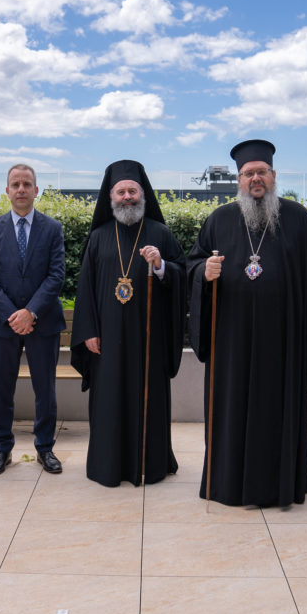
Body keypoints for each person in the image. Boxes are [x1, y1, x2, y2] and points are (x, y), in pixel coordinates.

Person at [188, 139, 307, 507]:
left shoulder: (300, 219)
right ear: (238, 180)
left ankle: (280, 485)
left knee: (277, 414)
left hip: (282, 345)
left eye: (262, 172)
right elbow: (191, 266)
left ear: (274, 176)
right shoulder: (218, 220)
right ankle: (228, 484)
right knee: (230, 412)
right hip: (231, 346)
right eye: (248, 173)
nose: (256, 179)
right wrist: (202, 274)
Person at [71, 160, 186, 487]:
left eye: (132, 191)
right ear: (111, 197)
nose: (127, 197)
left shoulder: (160, 233)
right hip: (105, 338)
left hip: (148, 340)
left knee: (146, 399)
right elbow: (85, 290)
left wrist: (161, 265)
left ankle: (150, 463)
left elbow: (182, 277)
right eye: (120, 192)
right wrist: (88, 330)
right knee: (108, 403)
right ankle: (108, 465)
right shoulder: (98, 237)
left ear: (143, 194)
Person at [0, 164, 66, 475]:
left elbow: (57, 275)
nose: (21, 189)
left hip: (43, 323)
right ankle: (2, 449)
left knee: (46, 390)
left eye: (26, 184)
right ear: (7, 191)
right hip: (4, 326)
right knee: (3, 390)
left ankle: (45, 449)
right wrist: (13, 315)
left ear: (36, 190)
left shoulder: (53, 228)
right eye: (15, 184)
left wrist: (31, 312)